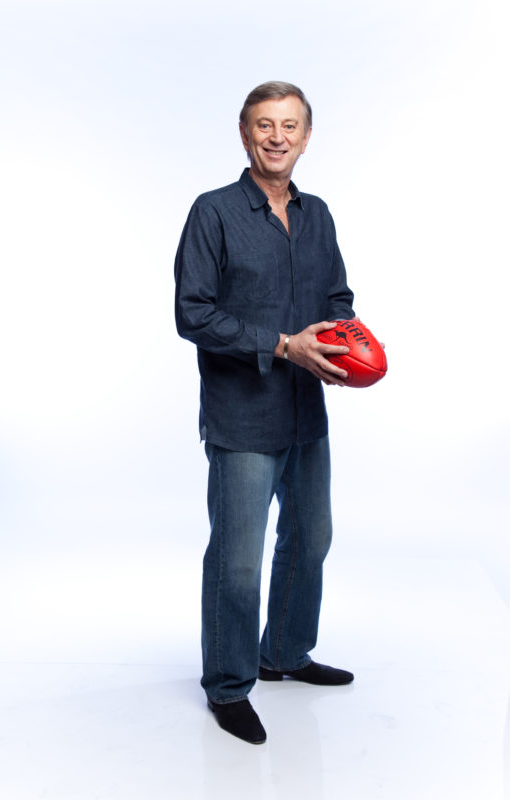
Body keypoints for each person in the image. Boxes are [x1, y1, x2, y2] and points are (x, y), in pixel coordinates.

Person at [174, 81, 356, 745]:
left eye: (289, 125)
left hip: (305, 410)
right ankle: (228, 685)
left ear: (305, 137)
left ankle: (284, 652)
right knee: (238, 561)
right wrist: (283, 345)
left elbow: (337, 297)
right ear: (244, 133)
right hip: (242, 416)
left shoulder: (318, 215)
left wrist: (346, 343)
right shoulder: (213, 212)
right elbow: (192, 313)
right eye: (264, 125)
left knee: (311, 539)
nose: (277, 137)